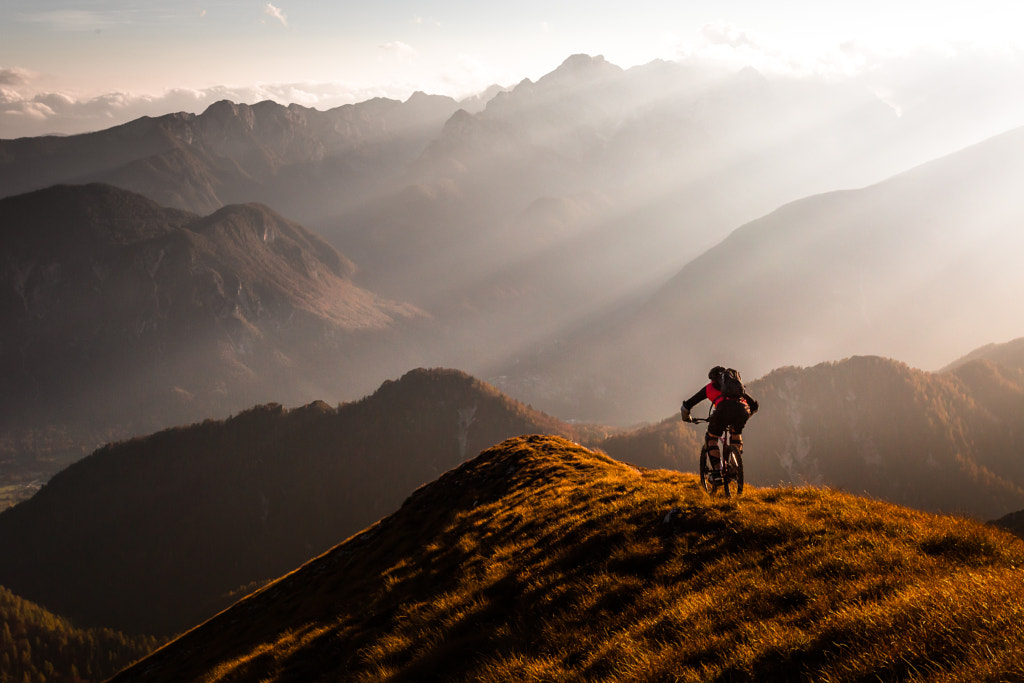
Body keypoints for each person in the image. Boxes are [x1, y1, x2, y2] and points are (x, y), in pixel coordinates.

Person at [680, 366, 759, 473]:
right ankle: (735, 464)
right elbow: (754, 406)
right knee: (736, 433)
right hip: (742, 410)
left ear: (713, 379)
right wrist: (746, 417)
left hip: (723, 411)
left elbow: (687, 405)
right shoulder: (736, 388)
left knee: (711, 437)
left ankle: (717, 471)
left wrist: (686, 417)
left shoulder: (710, 387)